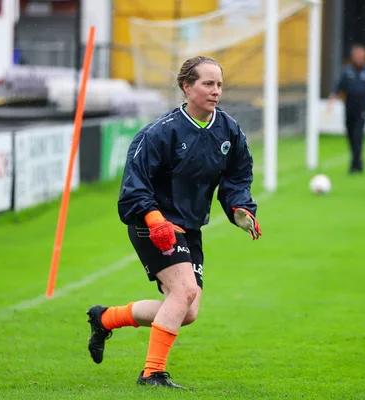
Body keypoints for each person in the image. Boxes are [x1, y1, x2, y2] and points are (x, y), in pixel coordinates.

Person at [85, 55, 262, 389]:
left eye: (219, 84)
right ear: (186, 87)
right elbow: (133, 188)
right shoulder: (158, 134)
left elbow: (238, 176)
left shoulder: (228, 130)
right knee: (184, 292)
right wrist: (155, 219)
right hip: (152, 223)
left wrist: (241, 207)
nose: (216, 91)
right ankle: (152, 374)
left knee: (187, 310)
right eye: (207, 84)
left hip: (189, 227)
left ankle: (105, 318)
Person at [327, 44, 365, 174]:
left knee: (358, 134)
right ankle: (358, 161)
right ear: (353, 56)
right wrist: (330, 103)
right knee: (350, 133)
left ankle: (355, 164)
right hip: (349, 105)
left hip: (363, 106)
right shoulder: (346, 71)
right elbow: (337, 88)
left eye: (361, 55)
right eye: (356, 55)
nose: (359, 57)